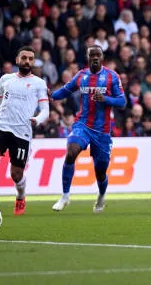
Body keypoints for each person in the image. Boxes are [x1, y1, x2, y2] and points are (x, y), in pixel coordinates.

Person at [50, 46, 126, 213]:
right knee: (71, 152)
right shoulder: (81, 75)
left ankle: (101, 195)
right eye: (92, 55)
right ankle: (65, 196)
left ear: (102, 57)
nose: (95, 58)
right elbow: (66, 90)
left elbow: (122, 101)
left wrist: (106, 99)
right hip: (82, 125)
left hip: (102, 132)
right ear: (88, 57)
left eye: (98, 55)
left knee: (100, 171)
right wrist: (51, 95)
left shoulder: (112, 76)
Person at [0, 46, 50, 215]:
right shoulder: (6, 79)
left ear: (33, 62)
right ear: (17, 59)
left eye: (30, 59)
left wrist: (37, 119)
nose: (27, 61)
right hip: (1, 125)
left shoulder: (39, 83)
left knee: (16, 174)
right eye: (24, 58)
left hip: (22, 132)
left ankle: (21, 196)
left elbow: (45, 109)